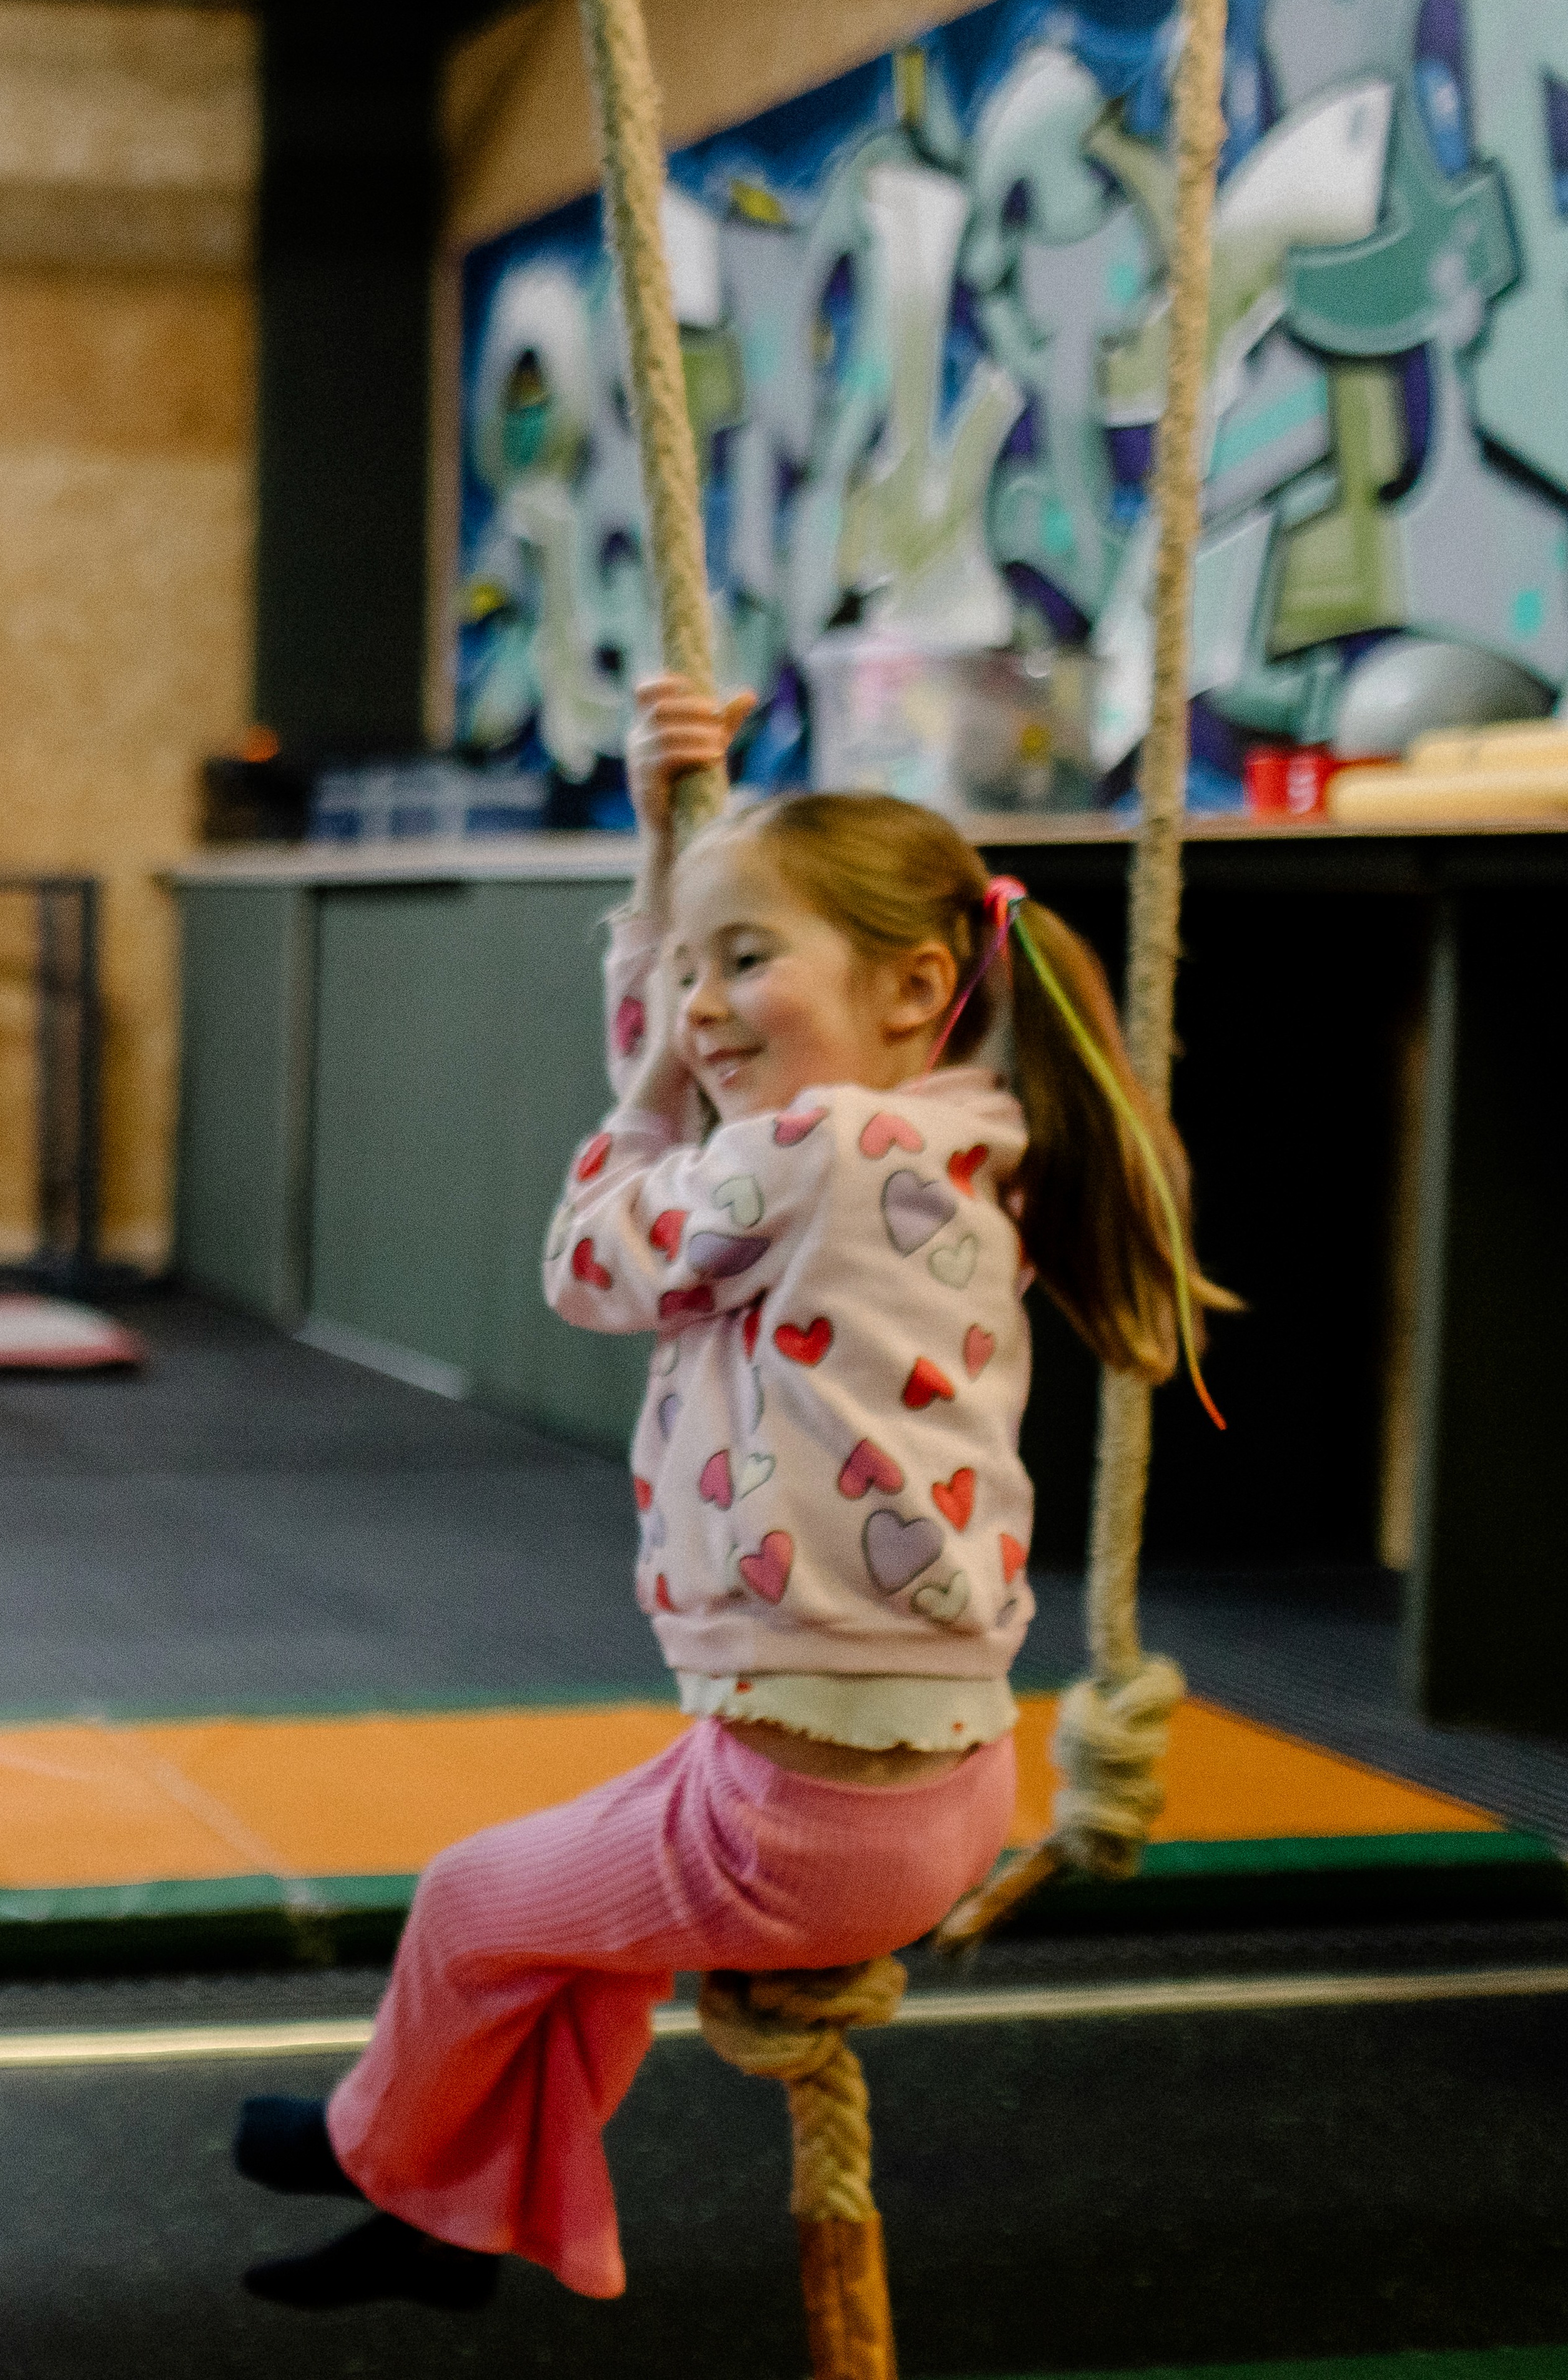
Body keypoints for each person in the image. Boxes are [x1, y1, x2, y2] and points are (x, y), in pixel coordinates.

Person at [232, 676, 1226, 2310]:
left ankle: (377, 2144)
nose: (696, 1006)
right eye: (686, 967)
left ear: (917, 984)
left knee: (475, 1896)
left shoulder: (817, 1146)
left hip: (812, 1809)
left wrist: (637, 1089)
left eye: (744, 959)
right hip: (918, 1772)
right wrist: (663, 865)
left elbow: (585, 1254)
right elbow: (713, 1074)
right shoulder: (963, 1132)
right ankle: (455, 2216)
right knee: (564, 1955)